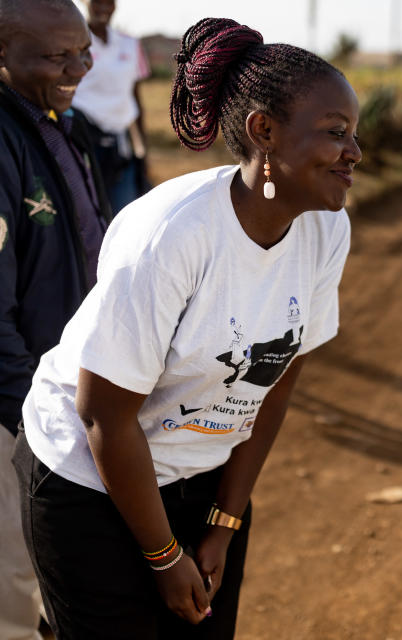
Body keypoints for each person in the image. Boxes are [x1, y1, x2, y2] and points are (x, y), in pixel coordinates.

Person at [13, 17, 360, 639]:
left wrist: (224, 520)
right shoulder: (173, 236)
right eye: (337, 133)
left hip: (200, 480)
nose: (355, 152)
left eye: (355, 134)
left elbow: (275, 384)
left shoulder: (325, 228)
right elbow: (102, 416)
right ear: (264, 131)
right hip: (88, 479)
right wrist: (163, 556)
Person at [0, 1, 112, 638]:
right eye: (55, 56)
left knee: (53, 567)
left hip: (57, 398)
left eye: (82, 51)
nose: (78, 67)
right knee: (12, 575)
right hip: (15, 408)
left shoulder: (63, 126)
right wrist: (26, 414)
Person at [71, 0, 151, 213]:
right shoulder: (72, 41)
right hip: (82, 142)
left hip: (120, 148)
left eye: (109, 1)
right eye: (96, 1)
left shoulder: (130, 44)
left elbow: (134, 98)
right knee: (85, 216)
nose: (103, 7)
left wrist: (142, 148)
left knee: (124, 215)